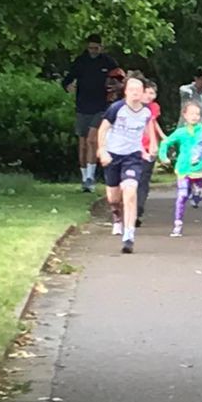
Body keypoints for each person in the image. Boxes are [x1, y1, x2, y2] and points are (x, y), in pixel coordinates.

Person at [95, 73, 159, 254]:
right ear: (125, 91)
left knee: (130, 192)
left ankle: (129, 235)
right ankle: (117, 216)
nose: (135, 93)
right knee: (114, 198)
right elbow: (103, 129)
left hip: (132, 157)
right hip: (114, 155)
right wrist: (103, 150)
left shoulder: (146, 112)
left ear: (143, 92)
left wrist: (152, 146)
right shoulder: (116, 109)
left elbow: (149, 128)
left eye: (138, 90)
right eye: (131, 90)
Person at [62, 34, 118, 191]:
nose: (93, 51)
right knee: (83, 144)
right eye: (90, 48)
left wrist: (116, 88)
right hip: (82, 106)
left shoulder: (108, 62)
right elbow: (67, 79)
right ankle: (84, 176)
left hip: (101, 107)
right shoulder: (81, 61)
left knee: (92, 140)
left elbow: (120, 80)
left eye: (96, 48)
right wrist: (68, 87)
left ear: (101, 47)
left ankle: (90, 178)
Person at [157, 101, 202, 238]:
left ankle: (196, 196)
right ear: (185, 115)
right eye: (191, 113)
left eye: (197, 114)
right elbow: (165, 142)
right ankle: (178, 224)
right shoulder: (180, 132)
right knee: (182, 196)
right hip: (183, 168)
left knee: (199, 194)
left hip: (199, 168)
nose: (195, 116)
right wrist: (163, 157)